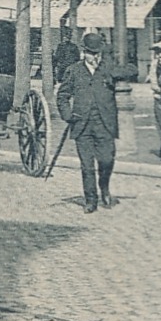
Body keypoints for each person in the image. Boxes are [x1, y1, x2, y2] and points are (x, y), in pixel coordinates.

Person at [56, 32, 120, 214]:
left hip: (104, 123)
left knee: (107, 160)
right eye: (92, 53)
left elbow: (131, 70)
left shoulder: (108, 69)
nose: (95, 57)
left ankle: (104, 187)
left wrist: (110, 65)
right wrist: (68, 115)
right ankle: (90, 199)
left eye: (98, 53)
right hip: (82, 125)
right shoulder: (74, 70)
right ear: (84, 53)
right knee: (87, 165)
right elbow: (62, 96)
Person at [51, 13, 80, 84]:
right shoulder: (60, 46)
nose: (64, 39)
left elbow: (77, 57)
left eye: (66, 37)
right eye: (64, 37)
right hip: (62, 66)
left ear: (69, 38)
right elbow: (57, 56)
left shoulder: (73, 46)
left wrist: (67, 63)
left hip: (69, 65)